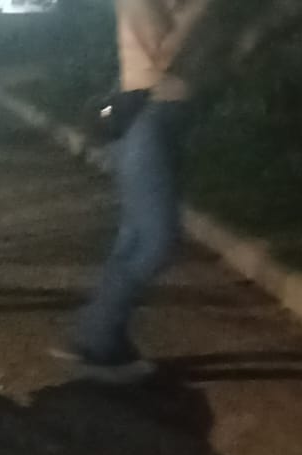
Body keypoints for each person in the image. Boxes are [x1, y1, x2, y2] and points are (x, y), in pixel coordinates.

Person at [56, 0, 213, 383]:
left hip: (162, 116)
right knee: (158, 239)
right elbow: (162, 50)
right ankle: (94, 337)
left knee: (134, 235)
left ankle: (107, 339)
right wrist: (204, 12)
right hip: (147, 114)